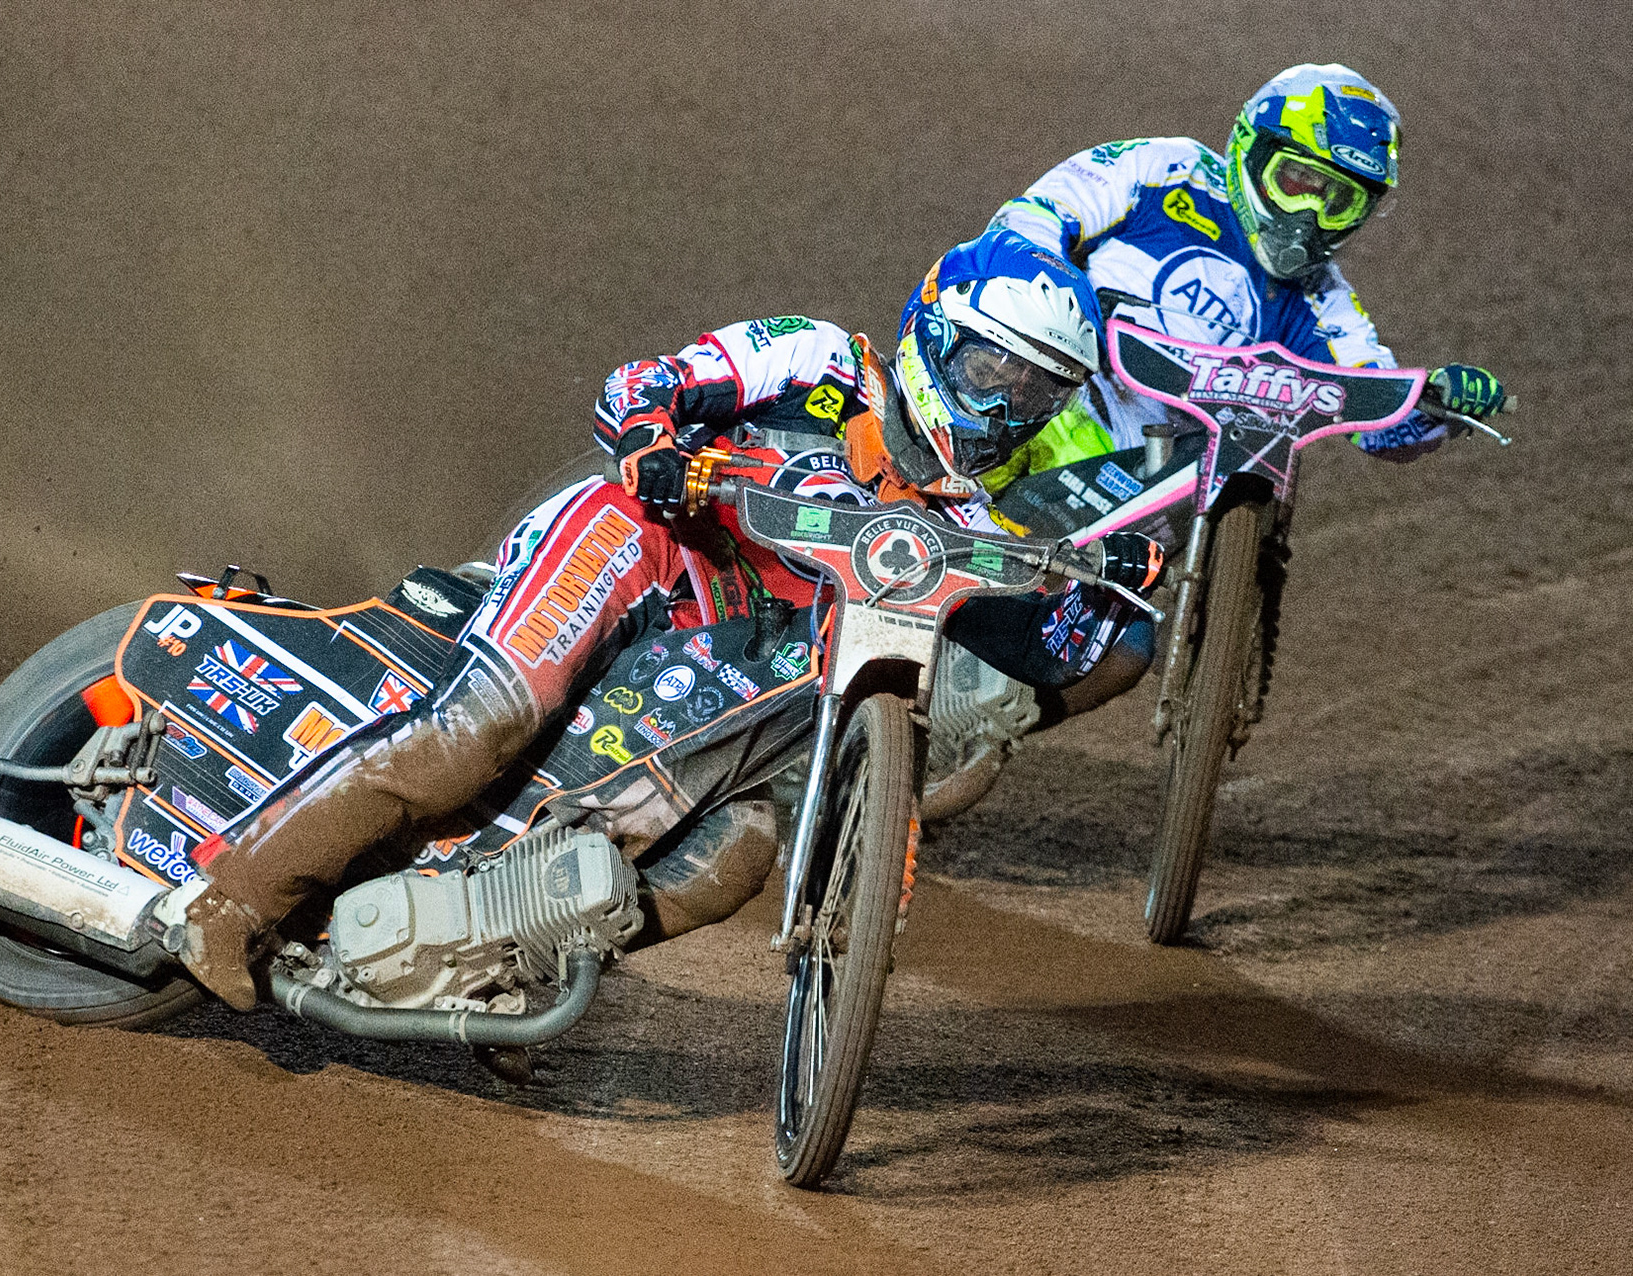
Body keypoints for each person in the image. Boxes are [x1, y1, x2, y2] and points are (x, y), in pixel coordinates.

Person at [175, 230, 1166, 1010]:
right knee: (480, 730)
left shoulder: (966, 532)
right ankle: (230, 904)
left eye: (1038, 390)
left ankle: (488, 964)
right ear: (934, 331)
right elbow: (641, 384)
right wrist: (652, 441)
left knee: (735, 853)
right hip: (635, 548)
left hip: (720, 679)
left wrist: (1122, 589)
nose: (1007, 404)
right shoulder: (821, 359)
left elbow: (1050, 653)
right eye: (995, 368)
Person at [984, 63, 1510, 495]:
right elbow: (1030, 219)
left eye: (1337, 201)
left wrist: (1438, 404)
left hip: (1164, 481)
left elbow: (1375, 407)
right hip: (1059, 395)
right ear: (1251, 150)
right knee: (990, 310)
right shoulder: (1167, 169)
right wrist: (1063, 297)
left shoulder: (1322, 298)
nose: (1308, 215)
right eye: (1298, 181)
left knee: (1248, 490)